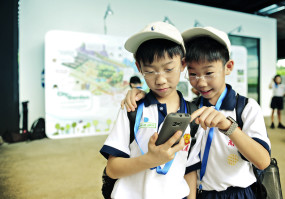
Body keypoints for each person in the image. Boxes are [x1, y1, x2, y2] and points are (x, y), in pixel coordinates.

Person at [121, 26, 271, 199]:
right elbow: (187, 165)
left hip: (238, 193)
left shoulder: (246, 107)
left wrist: (228, 126)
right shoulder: (189, 110)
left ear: (228, 67)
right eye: (193, 74)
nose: (201, 83)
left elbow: (262, 161)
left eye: (209, 73)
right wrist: (140, 94)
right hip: (200, 193)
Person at [100, 21, 200, 199]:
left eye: (169, 69)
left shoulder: (192, 113)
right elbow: (112, 169)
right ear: (139, 68)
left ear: (183, 64)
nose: (160, 80)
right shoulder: (132, 108)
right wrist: (151, 160)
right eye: (150, 71)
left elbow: (190, 168)